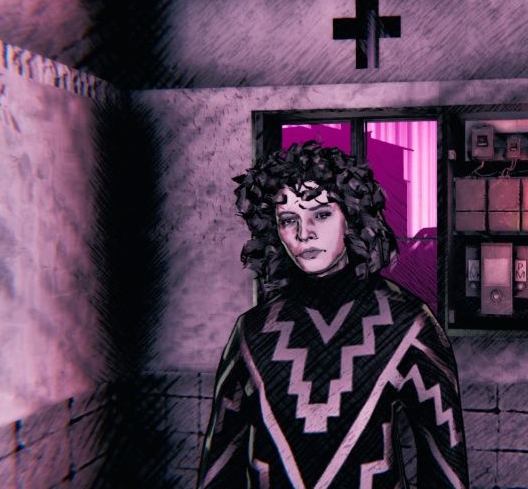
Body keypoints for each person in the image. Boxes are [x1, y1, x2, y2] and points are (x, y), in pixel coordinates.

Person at [197, 141, 469, 489]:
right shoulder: (252, 331)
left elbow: (446, 469)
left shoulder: (409, 323)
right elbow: (219, 467)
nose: (304, 233)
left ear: (352, 217)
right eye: (288, 220)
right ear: (274, 230)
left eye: (322, 214)